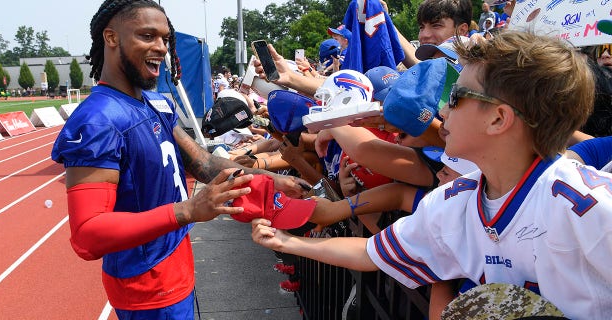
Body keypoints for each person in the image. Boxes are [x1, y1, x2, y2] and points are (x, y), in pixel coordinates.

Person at [252, 31, 612, 319]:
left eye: (455, 97)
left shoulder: (591, 208)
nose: (443, 110)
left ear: (498, 119)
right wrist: (288, 243)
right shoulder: (455, 199)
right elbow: (371, 252)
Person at [50, 1, 308, 319]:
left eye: (165, 39)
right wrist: (187, 210)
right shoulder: (96, 120)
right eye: (147, 36)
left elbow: (203, 162)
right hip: (145, 284)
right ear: (112, 37)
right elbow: (87, 234)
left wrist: (268, 179)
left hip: (177, 264)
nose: (161, 48)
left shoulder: (156, 102)